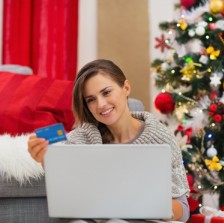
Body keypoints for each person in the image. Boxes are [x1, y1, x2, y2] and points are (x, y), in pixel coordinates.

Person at [28, 59, 190, 222]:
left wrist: (149, 204)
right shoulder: (80, 138)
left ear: (126, 88)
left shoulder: (161, 138)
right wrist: (46, 160)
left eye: (106, 92)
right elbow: (67, 190)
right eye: (91, 99)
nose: (101, 104)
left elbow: (183, 210)